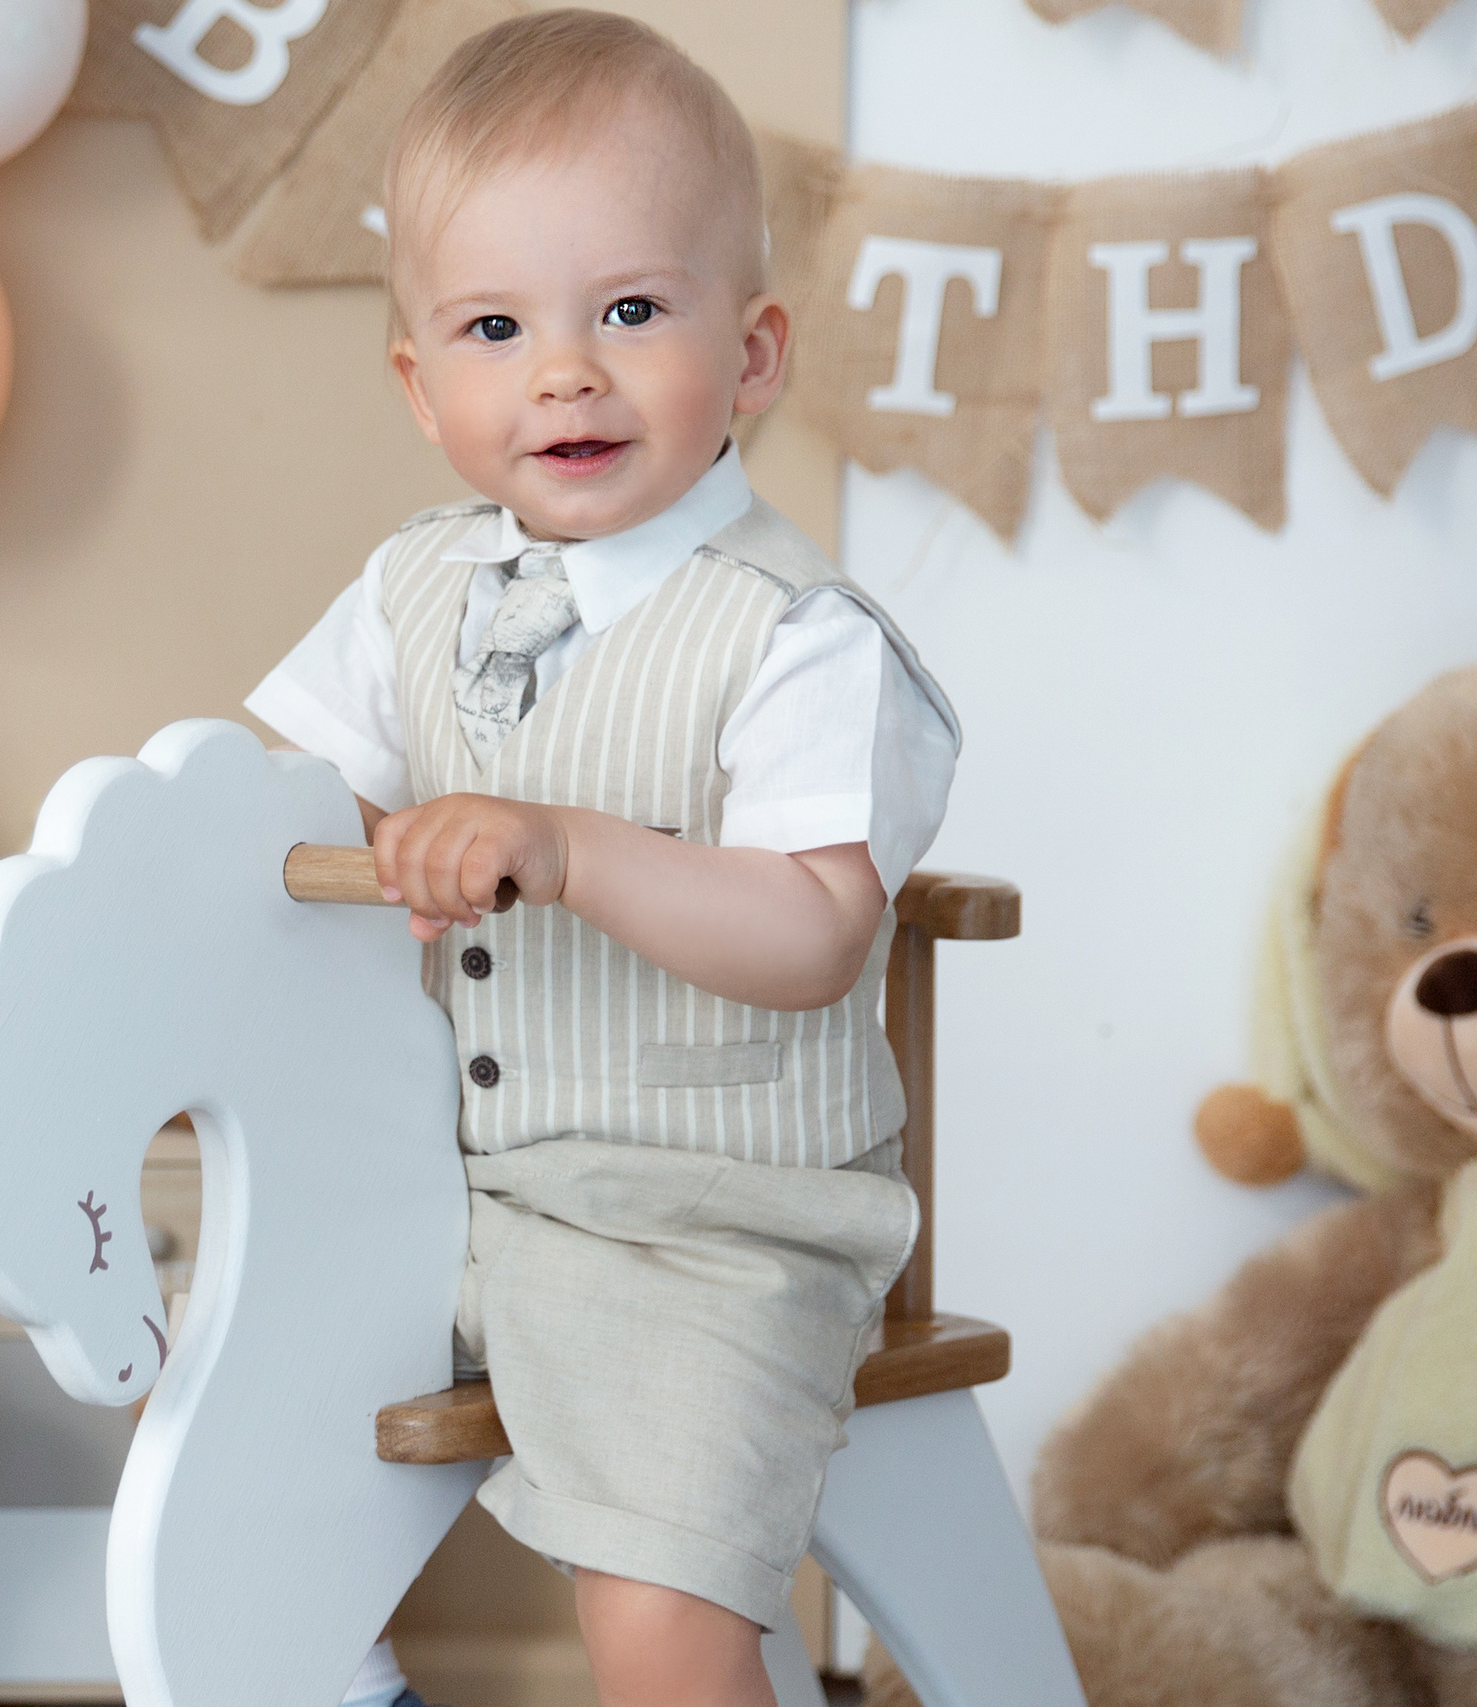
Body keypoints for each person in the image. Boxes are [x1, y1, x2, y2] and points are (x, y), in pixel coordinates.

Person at [243, 12, 960, 1706]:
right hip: (441, 1179)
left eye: (630, 311)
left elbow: (813, 932)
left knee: (656, 1601)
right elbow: (276, 806)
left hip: (705, 1221)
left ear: (755, 352)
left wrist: (570, 848)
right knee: (224, 1411)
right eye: (496, 328)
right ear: (422, 384)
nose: (564, 371)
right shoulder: (411, 586)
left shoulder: (798, 636)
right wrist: (353, 840)